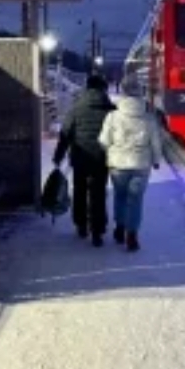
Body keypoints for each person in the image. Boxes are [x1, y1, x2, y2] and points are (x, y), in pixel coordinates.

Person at [98, 76, 162, 252]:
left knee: (119, 196)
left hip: (117, 165)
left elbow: (104, 141)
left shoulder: (112, 117)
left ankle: (120, 227)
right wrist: (156, 160)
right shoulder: (148, 118)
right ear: (140, 93)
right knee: (135, 200)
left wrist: (109, 153)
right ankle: (132, 234)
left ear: (122, 93)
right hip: (140, 166)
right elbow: (155, 142)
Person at [53, 74, 116, 246]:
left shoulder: (76, 108)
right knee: (98, 194)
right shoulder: (110, 109)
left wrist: (58, 156)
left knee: (80, 191)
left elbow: (65, 134)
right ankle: (97, 231)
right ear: (103, 89)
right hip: (102, 159)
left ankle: (81, 225)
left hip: (80, 158)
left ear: (87, 88)